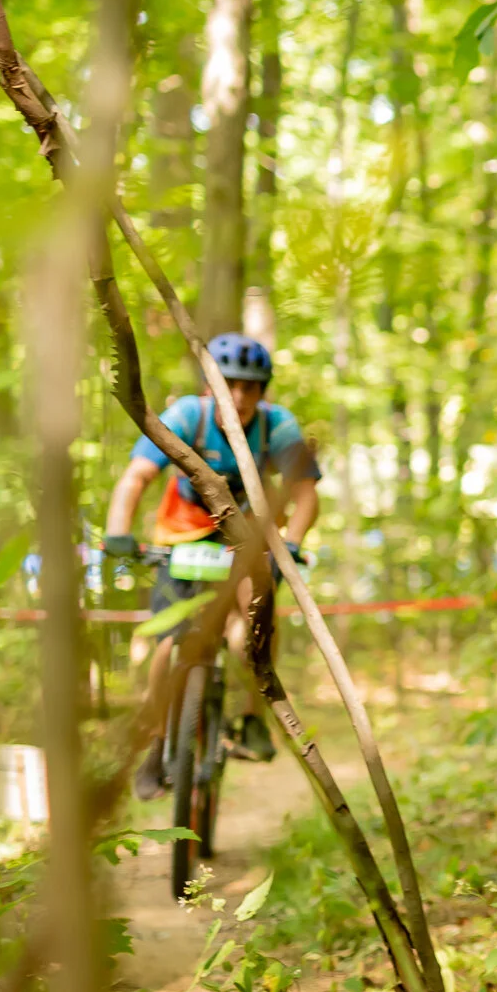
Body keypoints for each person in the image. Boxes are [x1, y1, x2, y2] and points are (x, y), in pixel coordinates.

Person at [103, 333, 320, 799]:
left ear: (262, 392)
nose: (238, 396)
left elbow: (305, 494)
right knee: (168, 645)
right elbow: (137, 476)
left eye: (249, 387)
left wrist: (293, 544)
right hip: (184, 534)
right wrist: (118, 532)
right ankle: (158, 741)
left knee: (251, 630)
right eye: (229, 384)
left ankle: (252, 718)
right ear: (209, 386)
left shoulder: (277, 426)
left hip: (248, 534)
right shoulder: (187, 416)